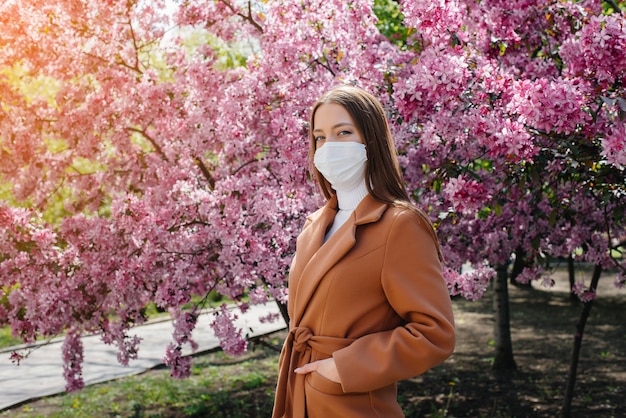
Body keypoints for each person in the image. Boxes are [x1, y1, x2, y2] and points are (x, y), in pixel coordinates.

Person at [272, 85, 455, 418]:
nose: (329, 147)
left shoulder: (399, 225)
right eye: (320, 137)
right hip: (300, 398)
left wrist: (345, 367)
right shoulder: (314, 224)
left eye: (343, 132)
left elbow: (434, 332)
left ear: (371, 140)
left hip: (351, 403)